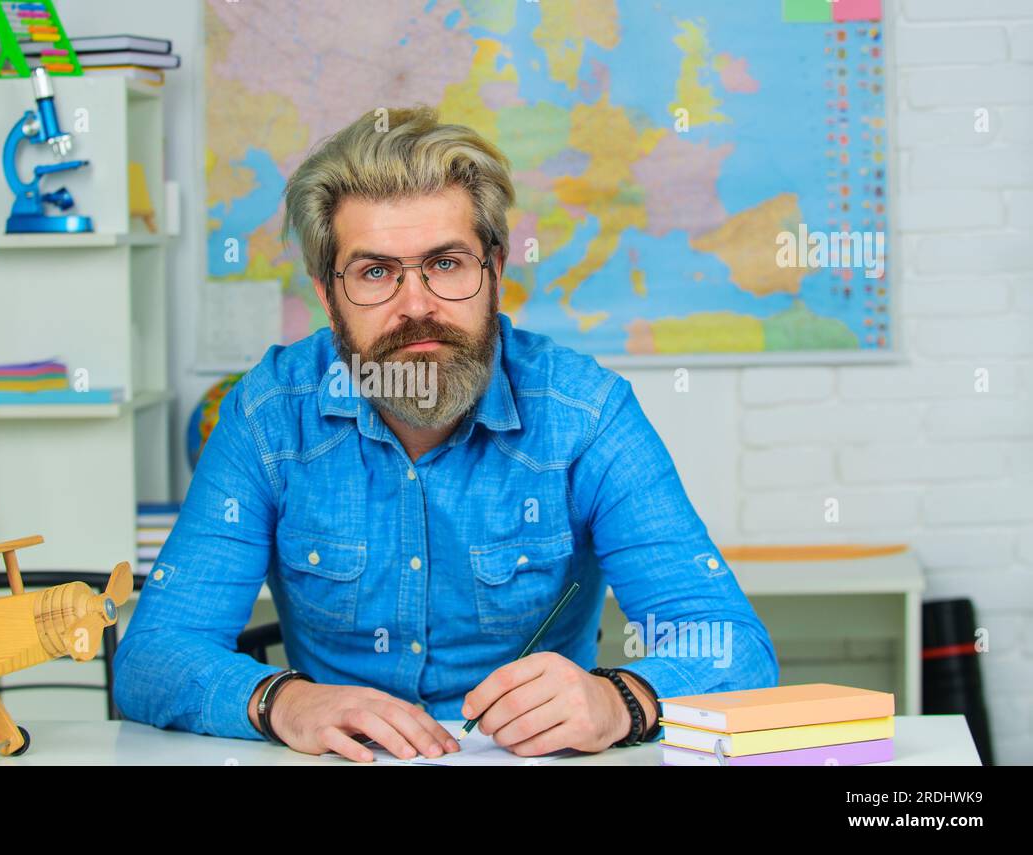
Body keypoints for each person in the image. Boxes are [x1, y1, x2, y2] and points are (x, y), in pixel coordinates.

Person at [114, 106, 778, 762]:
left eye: (447, 264)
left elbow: (732, 645)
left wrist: (623, 699)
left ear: (494, 270)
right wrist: (281, 700)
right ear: (327, 295)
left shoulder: (586, 415)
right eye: (375, 272)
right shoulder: (267, 417)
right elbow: (153, 653)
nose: (416, 304)